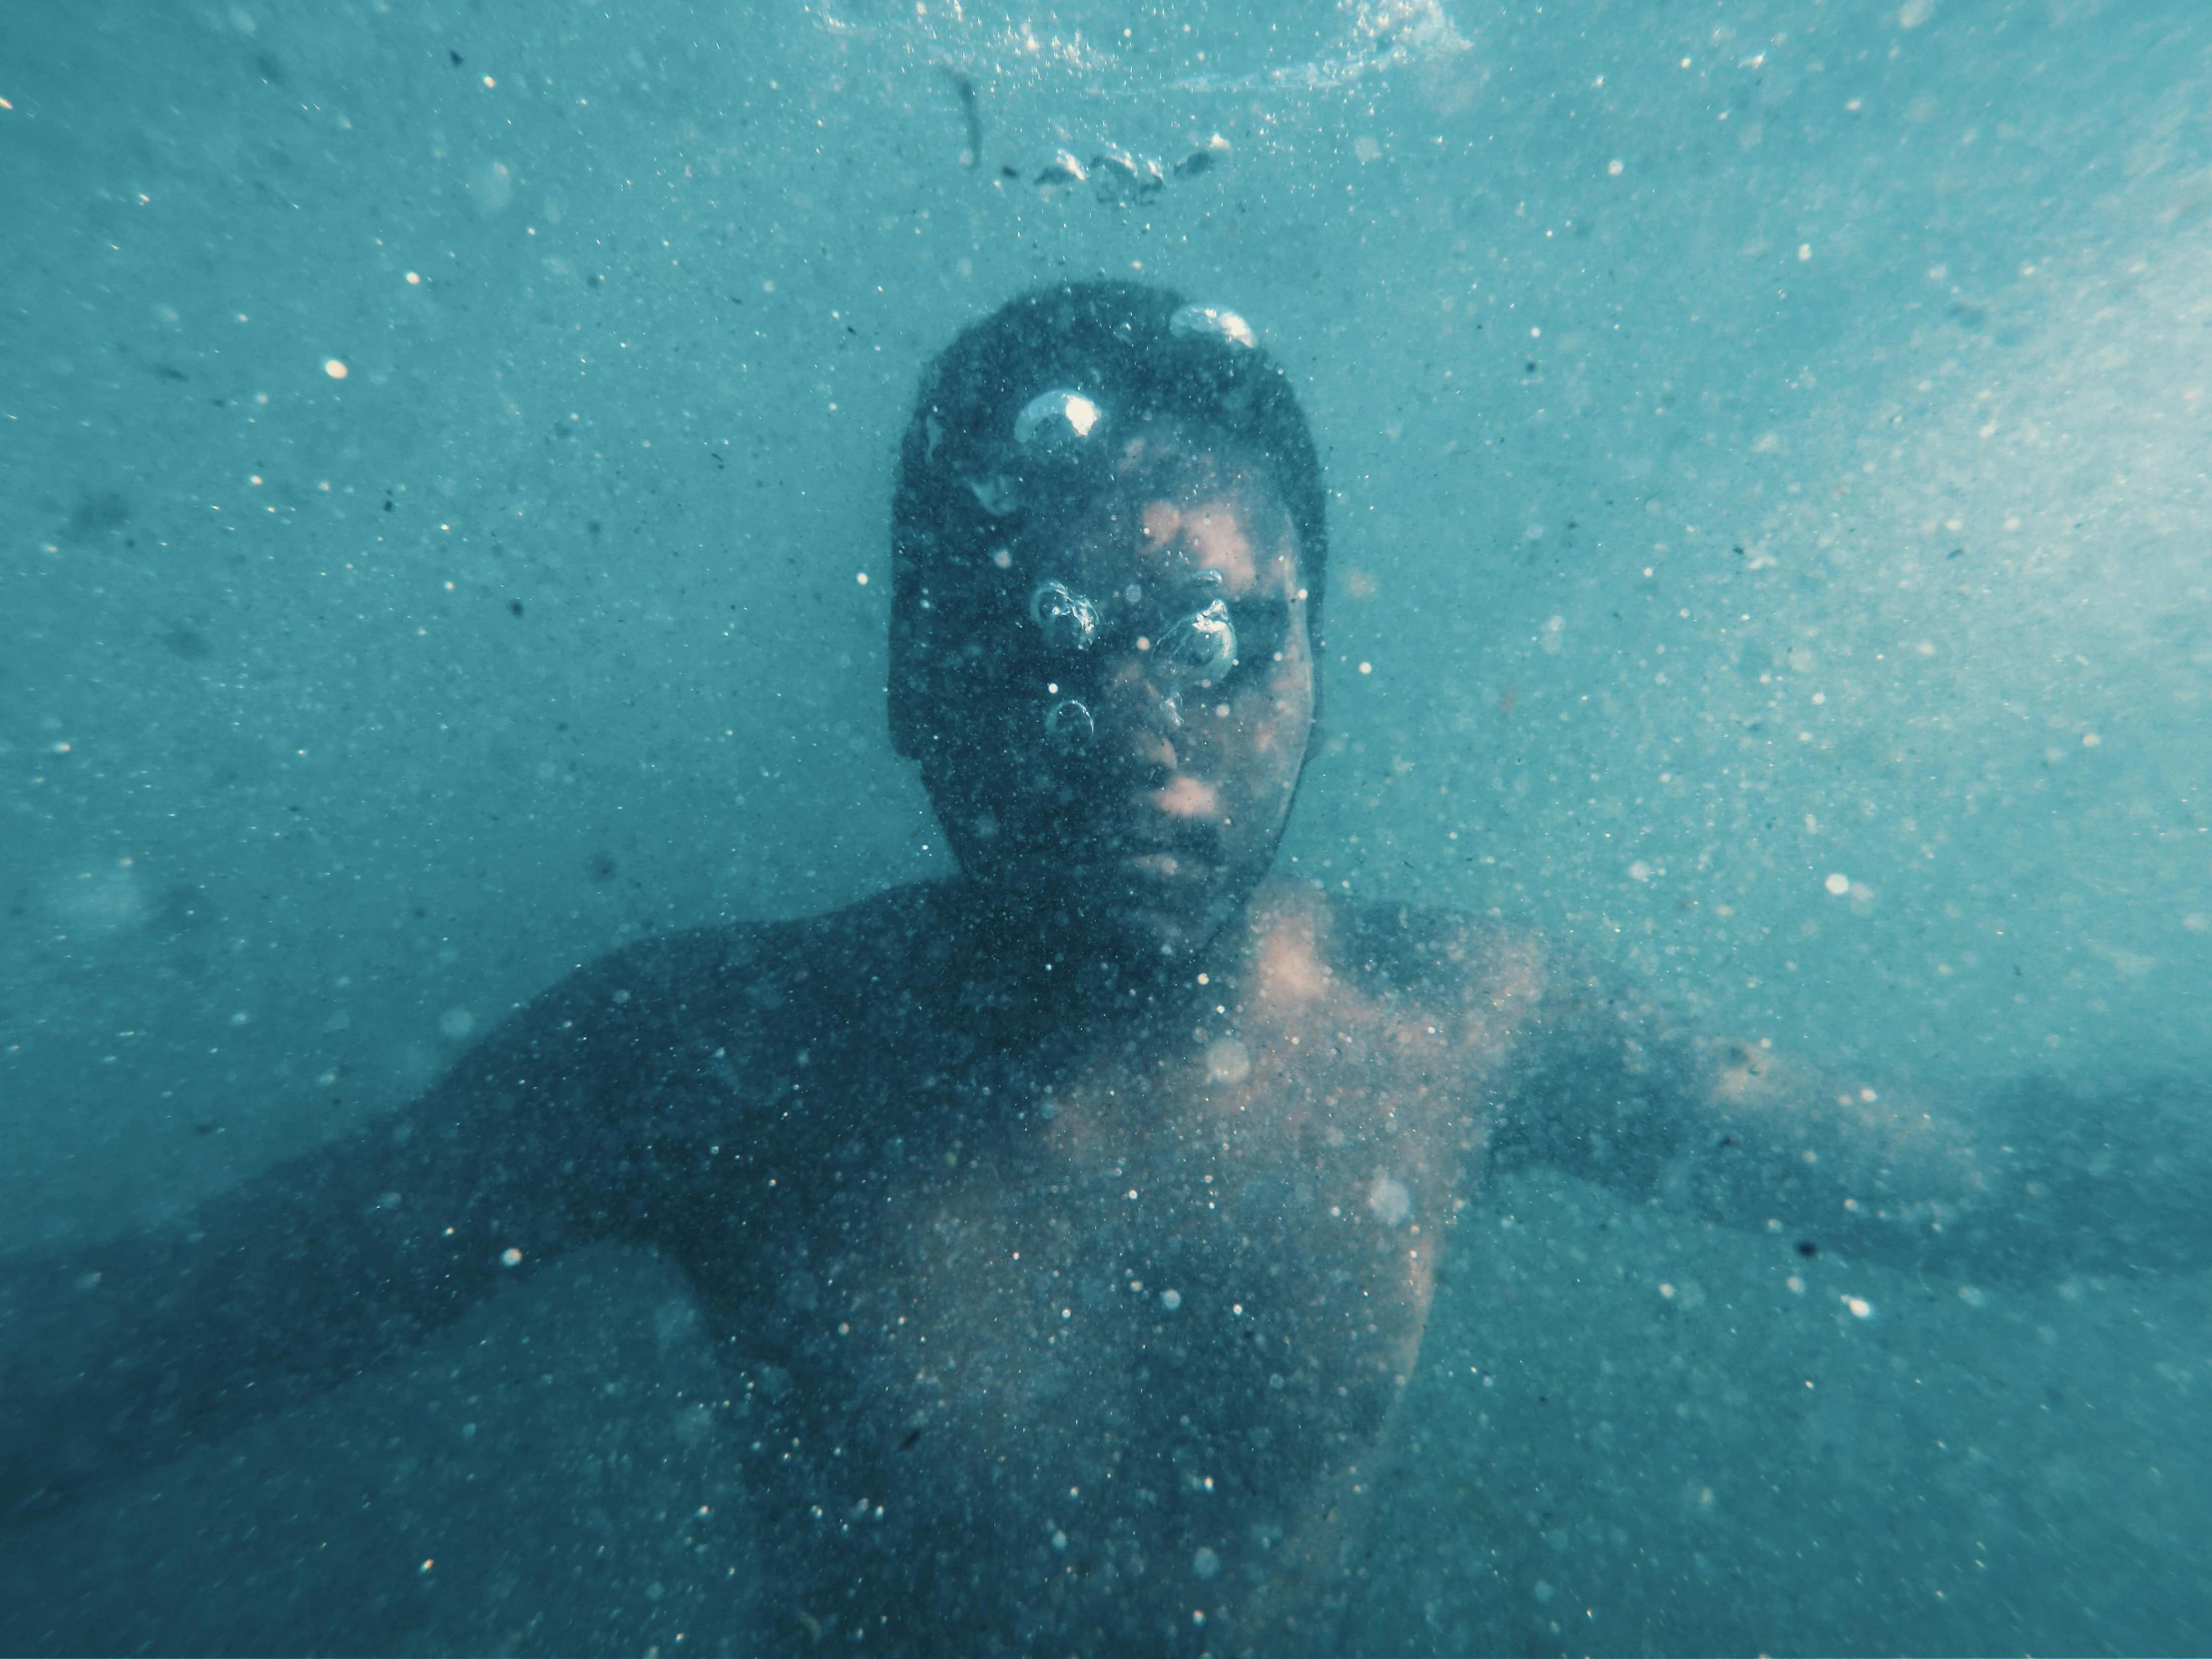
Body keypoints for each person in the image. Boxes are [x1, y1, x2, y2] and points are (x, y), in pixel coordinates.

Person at [1, 281, 2203, 1655]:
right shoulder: (715, 1055)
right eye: (1039, 636)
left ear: (1319, 664)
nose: (1131, 715)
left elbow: (1972, 1179)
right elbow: (199, 1326)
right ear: (906, 683)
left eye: (1218, 636)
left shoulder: (1458, 1025)